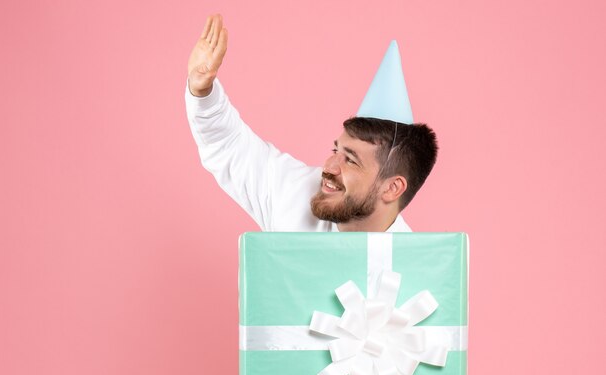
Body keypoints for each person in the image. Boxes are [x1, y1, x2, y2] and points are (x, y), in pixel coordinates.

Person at [185, 14, 438, 232]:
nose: (328, 166)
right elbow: (228, 144)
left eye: (350, 160)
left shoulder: (414, 273)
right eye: (335, 151)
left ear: (393, 187)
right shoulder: (294, 194)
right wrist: (202, 90)